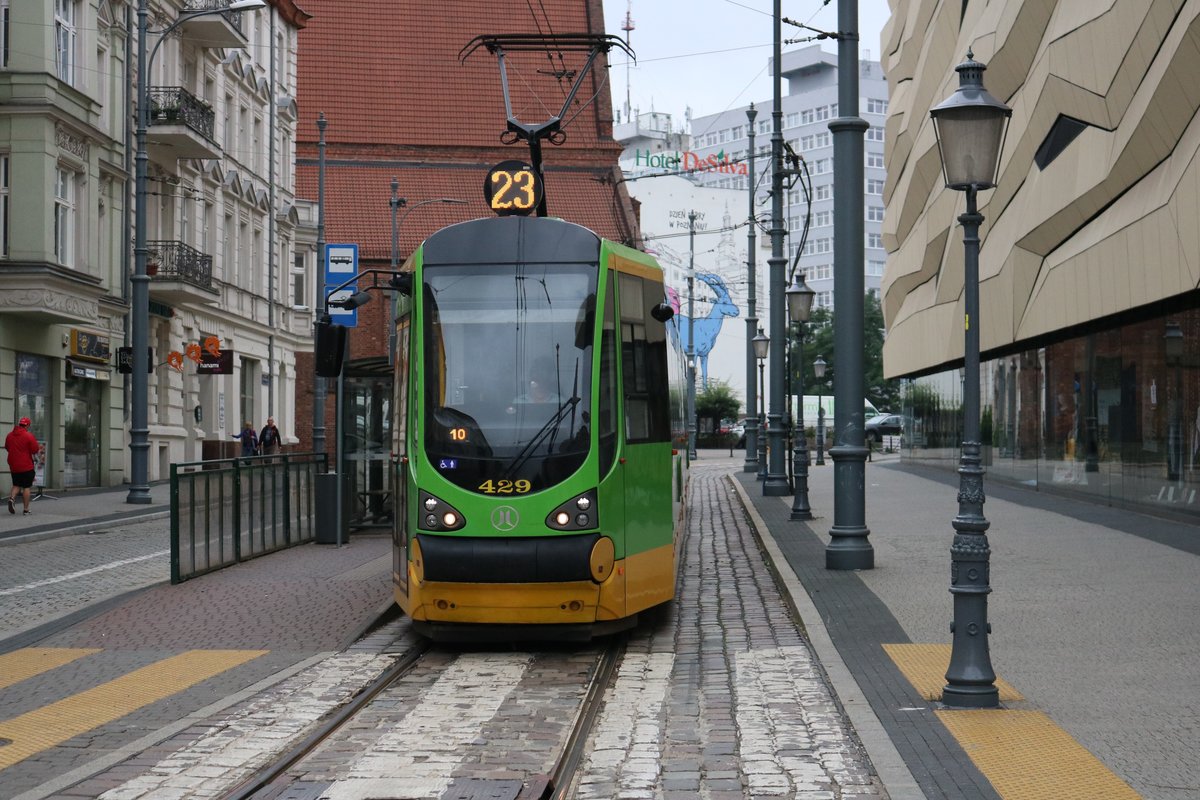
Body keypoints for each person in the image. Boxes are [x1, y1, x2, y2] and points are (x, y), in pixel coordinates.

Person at [6, 417, 39, 516]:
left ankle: (11, 499)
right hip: (26, 466)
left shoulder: (9, 435)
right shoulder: (28, 436)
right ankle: (26, 510)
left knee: (16, 484)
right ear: (27, 425)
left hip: (14, 465)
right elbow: (35, 450)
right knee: (26, 487)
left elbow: (7, 447)